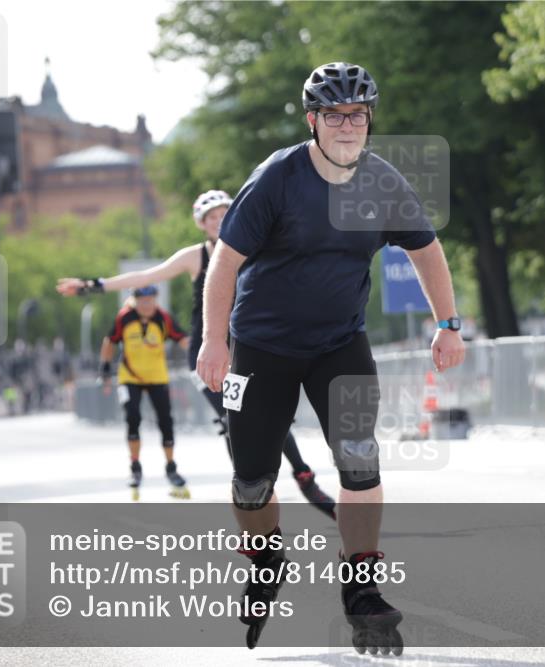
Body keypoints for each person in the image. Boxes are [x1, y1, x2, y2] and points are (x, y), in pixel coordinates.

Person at [194, 62, 466, 652]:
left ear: (370, 121)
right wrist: (215, 341)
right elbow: (225, 264)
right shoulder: (277, 178)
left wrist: (447, 325)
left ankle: (361, 586)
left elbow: (427, 251)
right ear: (313, 120)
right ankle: (266, 557)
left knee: (360, 459)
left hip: (338, 343)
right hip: (262, 348)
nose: (348, 126)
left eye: (358, 115)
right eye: (336, 115)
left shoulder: (382, 182)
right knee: (251, 479)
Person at [56, 190, 336, 517]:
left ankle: (304, 477)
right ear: (202, 224)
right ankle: (251, 489)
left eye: (223, 214)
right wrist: (93, 285)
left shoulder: (254, 247)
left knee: (268, 417)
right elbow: (147, 276)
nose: (219, 221)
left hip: (249, 349)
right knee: (233, 418)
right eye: (211, 217)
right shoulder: (195, 257)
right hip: (208, 357)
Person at [100, 286, 191, 499]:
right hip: (129, 377)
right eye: (142, 301)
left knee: (165, 421)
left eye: (151, 300)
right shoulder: (124, 318)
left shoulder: (163, 318)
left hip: (157, 377)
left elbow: (183, 339)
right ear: (134, 301)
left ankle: (171, 467)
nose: (147, 305)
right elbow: (109, 341)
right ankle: (135, 466)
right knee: (132, 417)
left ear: (156, 300)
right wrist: (104, 368)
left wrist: (201, 354)